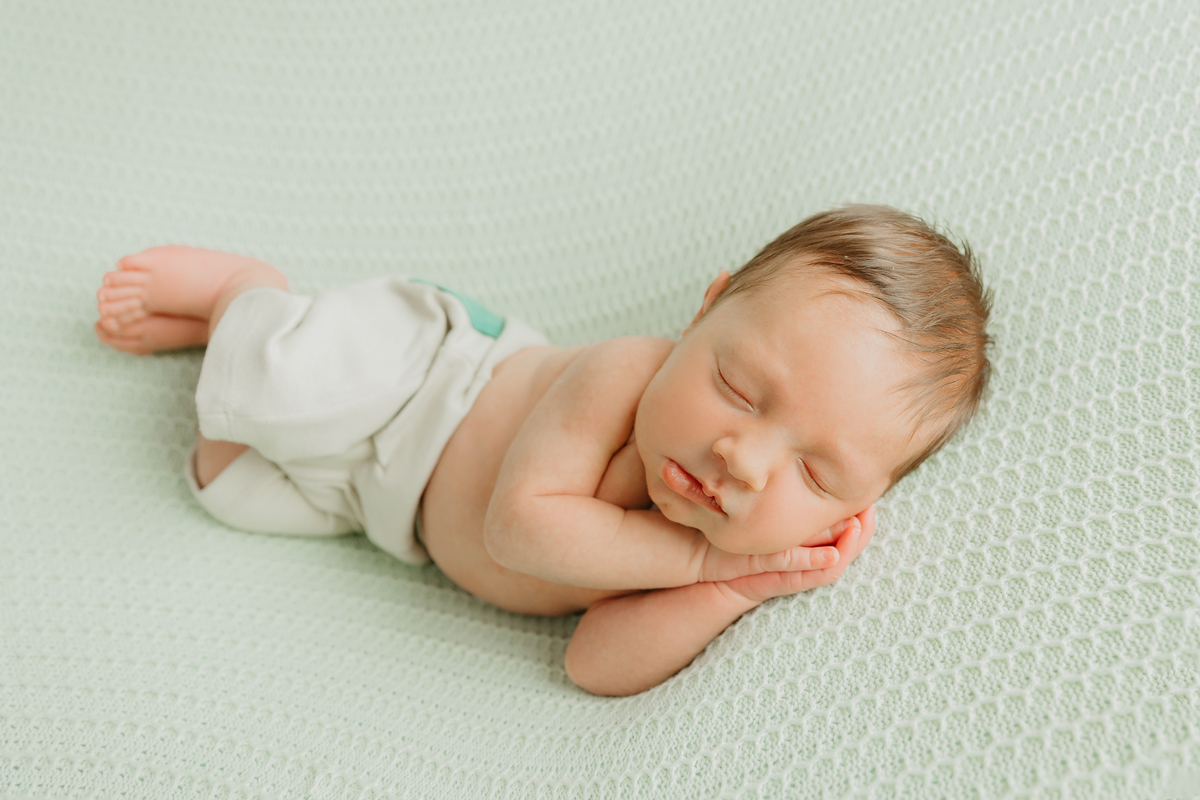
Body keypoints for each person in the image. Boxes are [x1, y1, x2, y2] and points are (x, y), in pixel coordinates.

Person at [93, 204, 992, 696]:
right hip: (420, 378)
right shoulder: (624, 376)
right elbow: (519, 530)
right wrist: (693, 554)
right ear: (702, 313)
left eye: (814, 472)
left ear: (850, 511)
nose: (743, 459)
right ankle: (246, 295)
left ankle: (237, 355)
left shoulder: (715, 557)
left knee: (225, 482)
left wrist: (730, 585)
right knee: (283, 379)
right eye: (740, 389)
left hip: (378, 505)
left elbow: (593, 664)